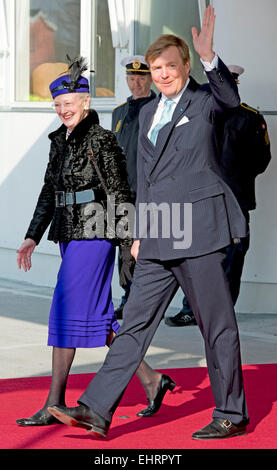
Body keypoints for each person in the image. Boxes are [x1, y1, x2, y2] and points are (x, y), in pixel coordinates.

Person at [48, 6, 250, 440]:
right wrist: (138, 231)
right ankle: (96, 410)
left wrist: (211, 58)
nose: (161, 75)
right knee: (134, 323)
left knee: (216, 327)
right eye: (156, 68)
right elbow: (146, 180)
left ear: (185, 67)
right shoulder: (143, 114)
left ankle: (231, 413)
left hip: (199, 232)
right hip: (159, 230)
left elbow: (231, 102)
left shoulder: (205, 101)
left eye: (169, 67)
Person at [15, 56, 175, 427]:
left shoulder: (102, 140)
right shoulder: (60, 140)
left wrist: (129, 242)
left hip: (95, 234)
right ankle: (152, 380)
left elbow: (120, 193)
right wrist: (30, 236)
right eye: (57, 105)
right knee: (100, 319)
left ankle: (53, 402)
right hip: (69, 235)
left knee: (64, 310)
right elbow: (49, 191)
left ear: (86, 102)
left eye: (68, 104)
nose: (62, 110)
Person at [165, 64, 271, 327]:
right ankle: (191, 309)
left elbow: (261, 159)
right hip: (200, 199)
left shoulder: (250, 117)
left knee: (233, 258)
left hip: (236, 201)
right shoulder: (196, 115)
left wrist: (235, 177)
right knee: (195, 256)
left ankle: (223, 312)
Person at [112, 56, 156, 319]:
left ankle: (146, 300)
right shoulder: (119, 112)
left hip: (149, 192)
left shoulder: (160, 107)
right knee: (125, 248)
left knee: (149, 247)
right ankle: (128, 298)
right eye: (131, 78)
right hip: (122, 193)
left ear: (150, 79)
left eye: (141, 78)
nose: (136, 83)